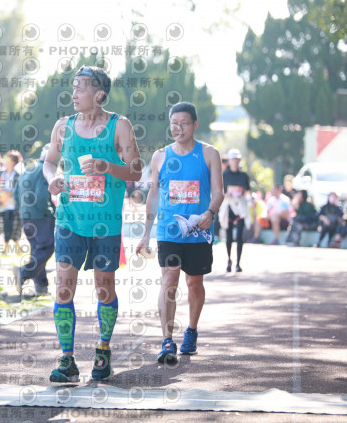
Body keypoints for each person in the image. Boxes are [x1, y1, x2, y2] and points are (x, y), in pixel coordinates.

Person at [43, 65, 142, 382]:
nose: (73, 93)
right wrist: (52, 180)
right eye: (73, 87)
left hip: (105, 224)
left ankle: (103, 350)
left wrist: (107, 166)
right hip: (69, 219)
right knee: (63, 288)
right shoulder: (63, 126)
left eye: (80, 88)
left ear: (98, 94)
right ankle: (67, 359)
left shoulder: (119, 125)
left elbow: (136, 170)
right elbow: (49, 162)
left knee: (104, 288)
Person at [136, 101, 223, 364]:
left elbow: (218, 192)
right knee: (169, 281)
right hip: (168, 231)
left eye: (184, 123)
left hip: (198, 231)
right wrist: (146, 233)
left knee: (194, 283)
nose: (178, 128)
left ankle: (191, 331)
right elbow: (153, 196)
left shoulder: (209, 154)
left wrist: (209, 213)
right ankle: (166, 340)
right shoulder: (160, 156)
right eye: (174, 123)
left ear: (195, 125)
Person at [13, 144, 56, 296]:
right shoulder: (46, 170)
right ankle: (24, 272)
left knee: (37, 250)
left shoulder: (29, 169)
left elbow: (16, 192)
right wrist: (50, 212)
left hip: (26, 216)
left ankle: (41, 286)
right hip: (40, 217)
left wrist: (23, 209)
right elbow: (42, 196)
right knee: (47, 248)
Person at [220, 148, 250, 272]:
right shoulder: (224, 175)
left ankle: (238, 263)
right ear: (229, 161)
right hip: (228, 206)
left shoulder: (243, 175)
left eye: (237, 159)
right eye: (233, 159)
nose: (235, 161)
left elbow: (247, 191)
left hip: (240, 206)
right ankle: (229, 260)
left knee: (239, 236)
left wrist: (249, 200)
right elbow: (219, 190)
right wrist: (225, 195)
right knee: (229, 236)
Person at [0, 150, 22, 255]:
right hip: (1, 205)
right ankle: (17, 248)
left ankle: (6, 248)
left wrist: (12, 193)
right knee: (6, 226)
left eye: (8, 159)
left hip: (12, 206)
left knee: (10, 226)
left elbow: (20, 191)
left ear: (14, 162)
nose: (5, 161)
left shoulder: (17, 176)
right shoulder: (0, 174)